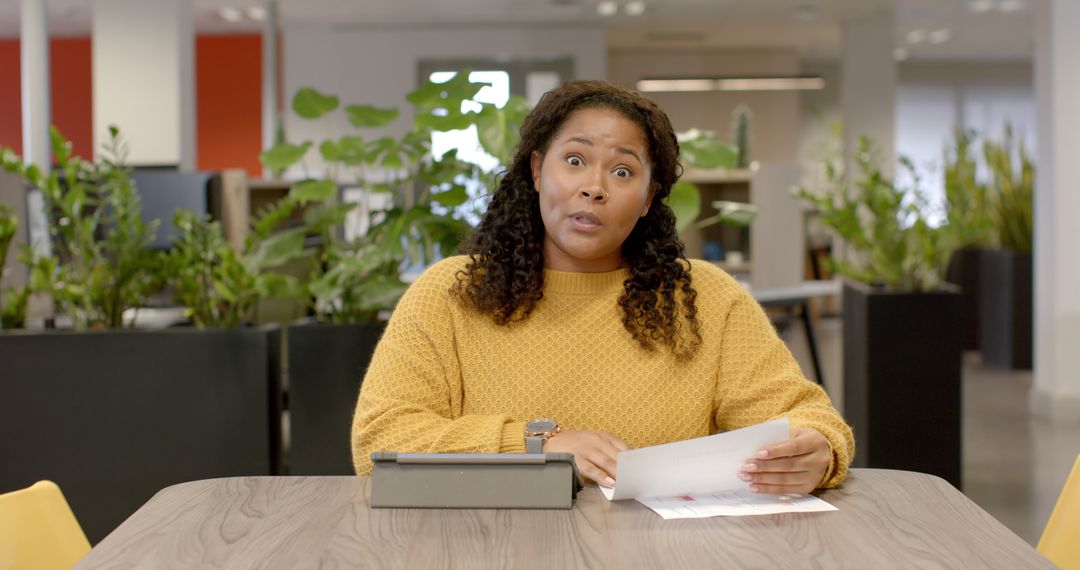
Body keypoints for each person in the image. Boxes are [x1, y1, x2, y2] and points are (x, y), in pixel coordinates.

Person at [351, 80, 853, 494]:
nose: (595, 186)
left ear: (647, 198)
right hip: (492, 545)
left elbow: (804, 414)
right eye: (574, 160)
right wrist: (538, 445)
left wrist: (819, 448)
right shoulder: (450, 294)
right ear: (535, 170)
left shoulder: (704, 298)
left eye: (622, 170)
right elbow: (380, 441)